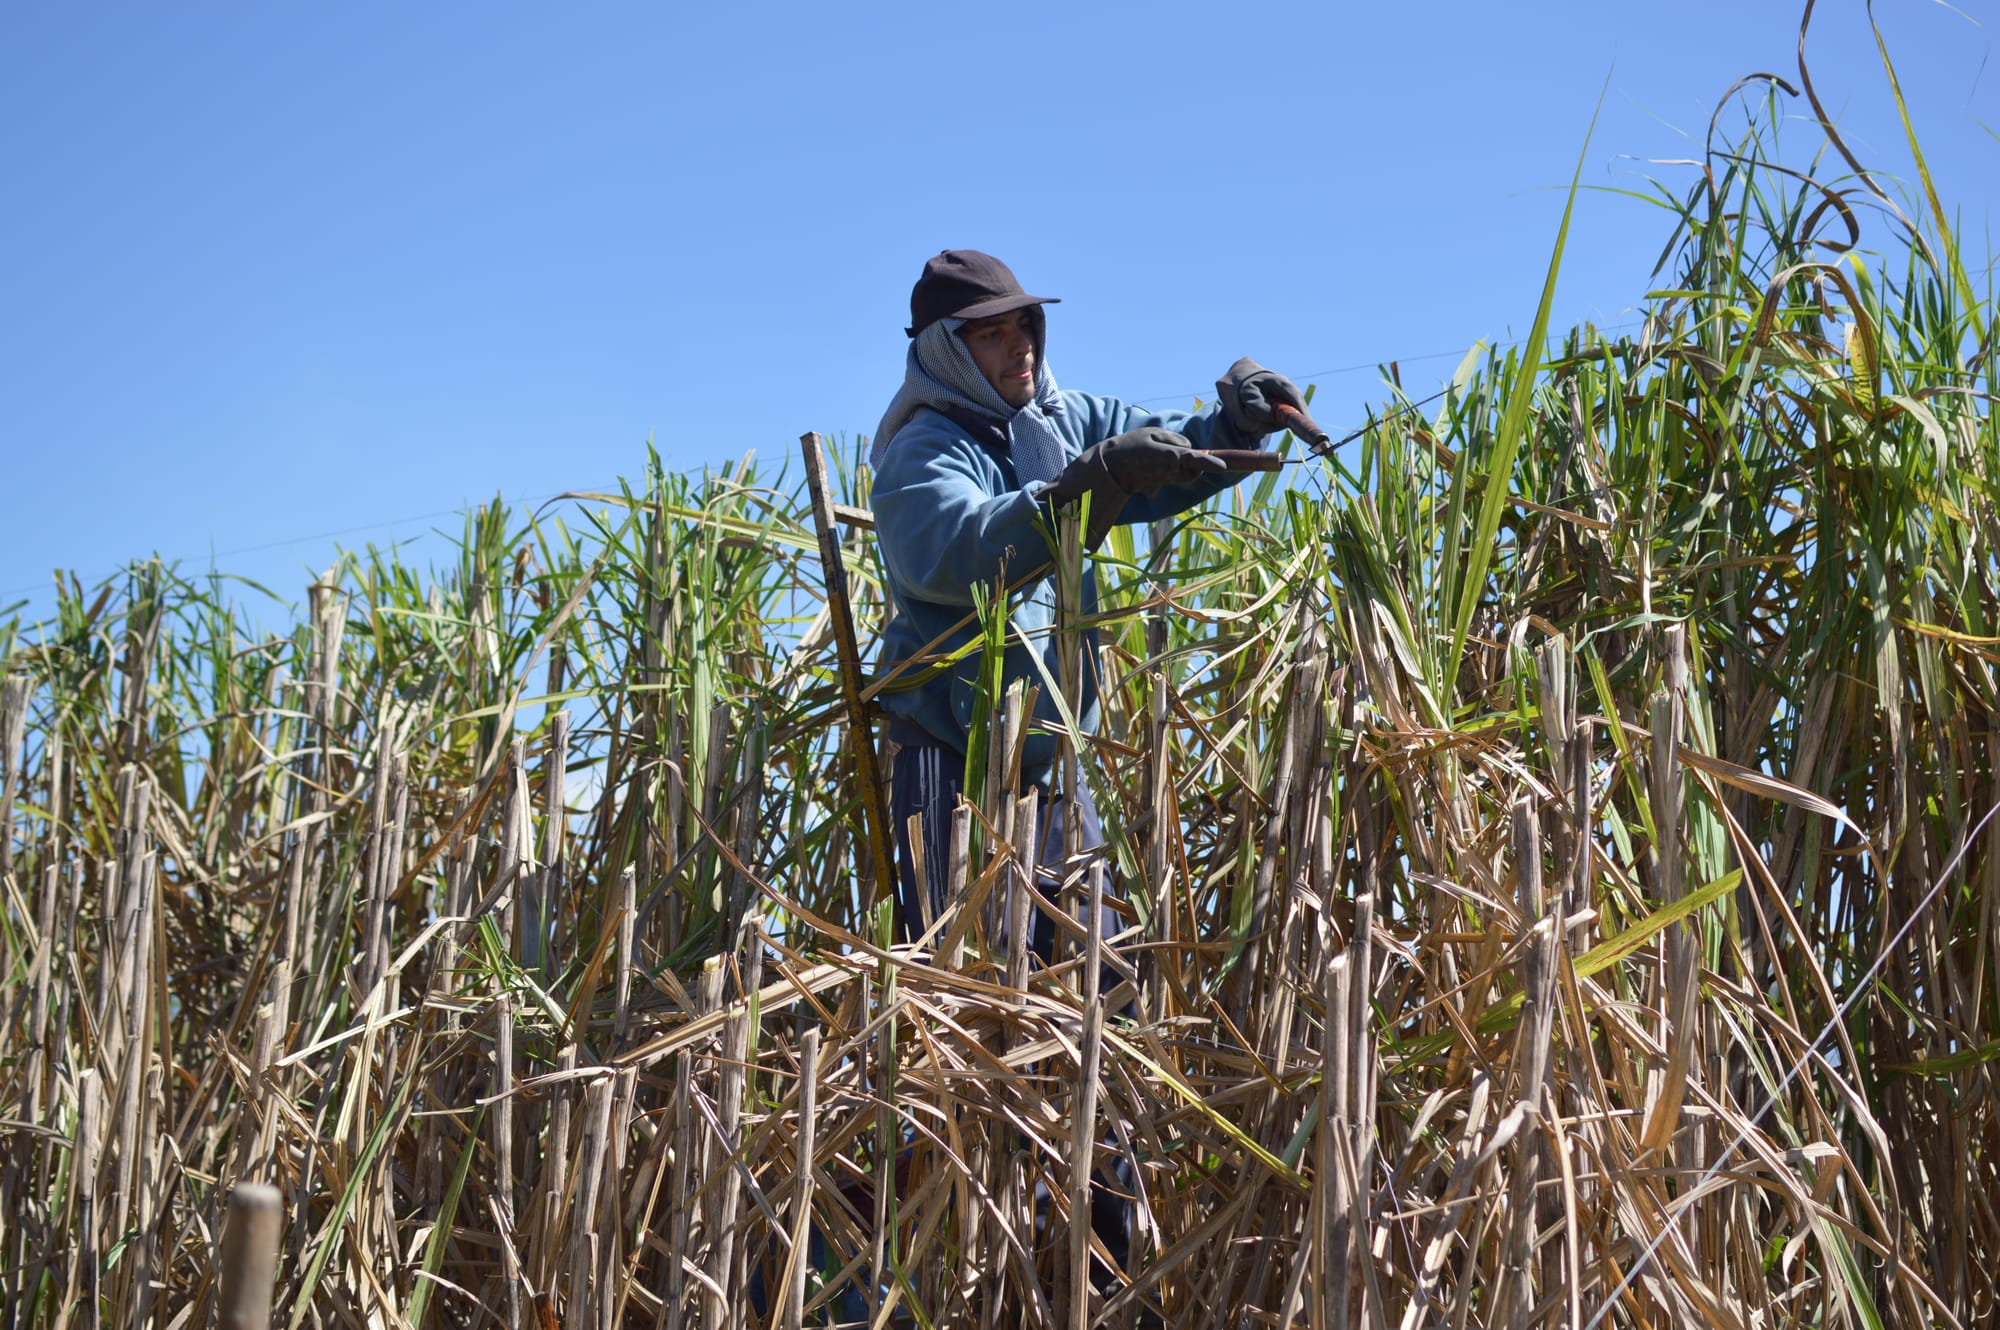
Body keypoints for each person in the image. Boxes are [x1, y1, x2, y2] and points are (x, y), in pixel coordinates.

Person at [870, 249, 1306, 951]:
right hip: (952, 758)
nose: (1020, 345)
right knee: (965, 980)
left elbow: (1167, 451)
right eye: (991, 333)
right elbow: (961, 550)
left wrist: (1234, 427)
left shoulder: (1062, 419)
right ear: (945, 353)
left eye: (1025, 324)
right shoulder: (923, 453)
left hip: (1052, 761)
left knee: (1098, 979)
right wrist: (1079, 491)